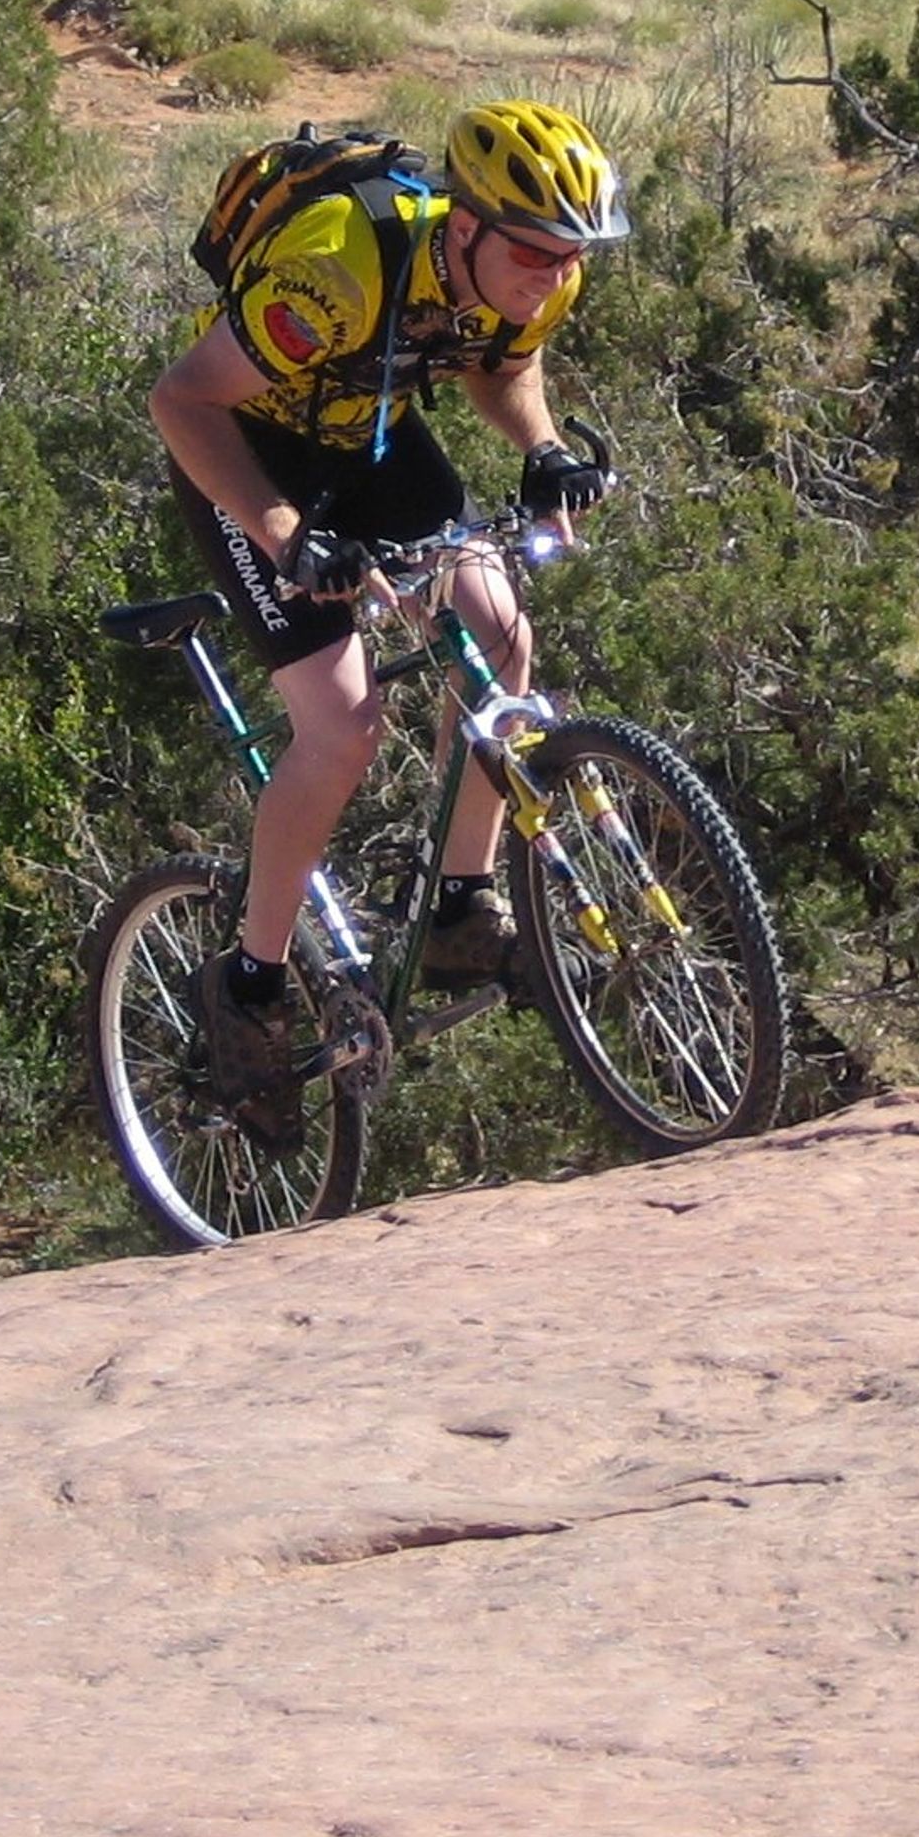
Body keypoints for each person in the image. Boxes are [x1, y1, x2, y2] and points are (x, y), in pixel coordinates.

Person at [150, 99, 629, 1135]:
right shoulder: (339, 267)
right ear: (465, 228)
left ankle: (461, 908)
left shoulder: (539, 272)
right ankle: (251, 984)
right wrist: (284, 534)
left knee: (501, 638)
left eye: (570, 256)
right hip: (247, 448)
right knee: (344, 721)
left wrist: (541, 447)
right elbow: (183, 400)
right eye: (537, 251)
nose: (555, 275)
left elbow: (506, 361)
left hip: (371, 437)